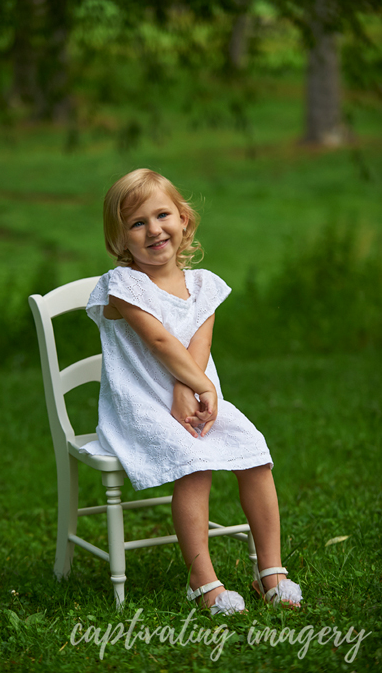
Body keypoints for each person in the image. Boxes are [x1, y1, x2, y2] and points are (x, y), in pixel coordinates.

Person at [81, 168, 302, 614]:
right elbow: (160, 341)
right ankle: (203, 582)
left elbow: (198, 343)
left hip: (200, 402)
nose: (153, 229)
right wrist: (196, 387)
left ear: (184, 219)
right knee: (195, 465)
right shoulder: (123, 286)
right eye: (137, 223)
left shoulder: (203, 285)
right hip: (141, 405)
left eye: (162, 215)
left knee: (256, 454)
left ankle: (271, 573)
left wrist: (192, 390)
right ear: (120, 240)